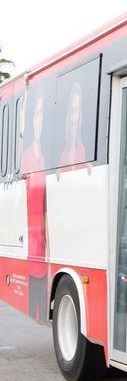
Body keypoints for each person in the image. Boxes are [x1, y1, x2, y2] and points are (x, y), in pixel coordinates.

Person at [21, 95, 49, 323]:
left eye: (43, 114)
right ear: (32, 121)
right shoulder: (27, 157)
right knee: (34, 309)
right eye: (36, 114)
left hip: (46, 245)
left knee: (42, 308)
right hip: (32, 244)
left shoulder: (47, 158)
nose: (39, 120)